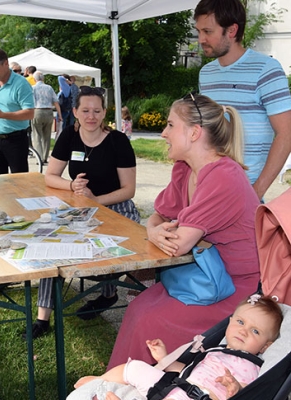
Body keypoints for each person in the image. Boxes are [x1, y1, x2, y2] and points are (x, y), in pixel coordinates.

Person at [108, 94, 261, 370]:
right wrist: (154, 231)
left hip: (233, 287)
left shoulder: (223, 177)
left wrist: (155, 233)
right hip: (202, 275)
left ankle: (144, 386)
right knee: (137, 308)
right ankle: (123, 386)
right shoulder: (185, 169)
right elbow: (158, 216)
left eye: (169, 125)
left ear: (194, 133)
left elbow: (176, 244)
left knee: (149, 320)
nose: (163, 133)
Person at [26, 86, 140, 339]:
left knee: (107, 245)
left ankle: (108, 294)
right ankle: (42, 317)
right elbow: (50, 176)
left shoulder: (118, 141)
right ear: (75, 111)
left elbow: (128, 190)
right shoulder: (69, 136)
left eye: (97, 111)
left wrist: (97, 200)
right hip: (81, 208)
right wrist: (71, 185)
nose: (91, 116)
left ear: (104, 113)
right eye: (85, 110)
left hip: (116, 208)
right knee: (50, 242)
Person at [70, 295, 283, 400]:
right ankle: (101, 380)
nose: (244, 331)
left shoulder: (252, 366)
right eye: (240, 322)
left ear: (265, 346)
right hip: (177, 386)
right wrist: (164, 358)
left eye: (255, 331)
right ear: (229, 322)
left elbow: (253, 394)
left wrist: (236, 388)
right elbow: (185, 370)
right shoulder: (216, 350)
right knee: (135, 366)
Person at [195, 0, 291, 200]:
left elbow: (286, 133)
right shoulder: (206, 73)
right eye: (199, 31)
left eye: (208, 31)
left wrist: (255, 193)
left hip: (245, 196)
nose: (200, 39)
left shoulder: (266, 69)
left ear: (232, 30)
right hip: (208, 192)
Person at [0, 48, 35, 174]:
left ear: (6, 63)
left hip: (16, 139)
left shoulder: (21, 84)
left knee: (18, 181)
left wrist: (2, 115)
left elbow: (30, 113)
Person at [31, 71, 62, 163]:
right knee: (47, 136)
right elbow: (56, 102)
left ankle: (39, 157)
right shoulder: (49, 88)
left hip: (37, 111)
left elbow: (31, 102)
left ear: (34, 79)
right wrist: (59, 115)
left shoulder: (32, 88)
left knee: (37, 135)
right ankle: (45, 157)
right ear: (43, 78)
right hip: (49, 111)